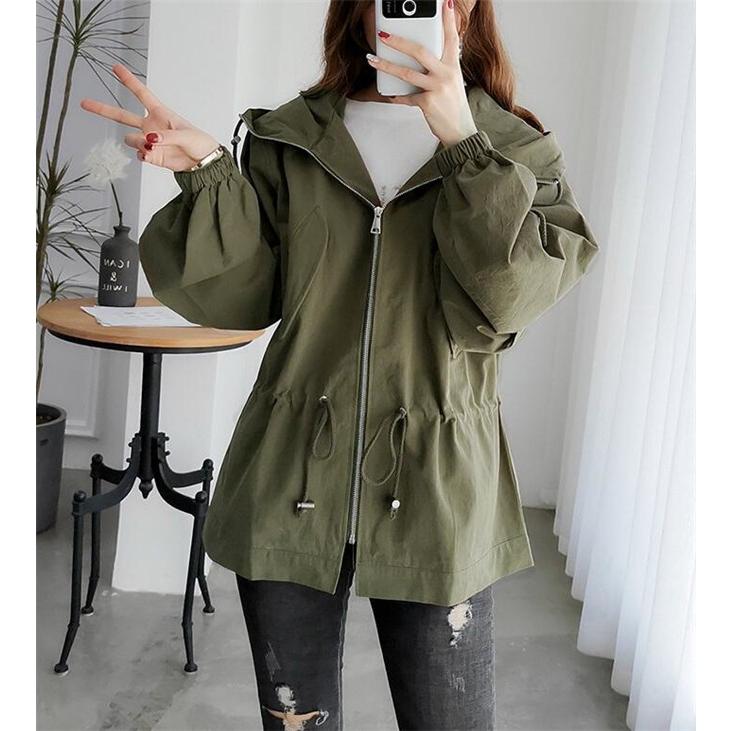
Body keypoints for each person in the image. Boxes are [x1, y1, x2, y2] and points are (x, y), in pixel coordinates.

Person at [80, 1, 599, 728]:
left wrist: (463, 142)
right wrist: (207, 173)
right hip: (290, 472)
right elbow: (245, 295)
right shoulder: (291, 136)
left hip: (439, 487)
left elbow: (511, 297)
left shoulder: (515, 148)